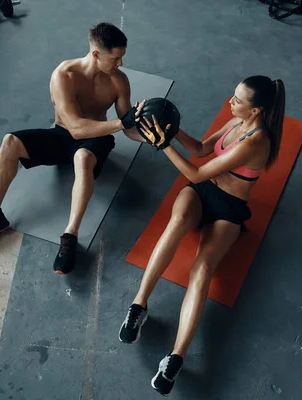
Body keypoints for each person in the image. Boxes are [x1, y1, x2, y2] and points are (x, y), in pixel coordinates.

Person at [119, 76, 286, 396]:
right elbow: (199, 151)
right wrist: (166, 125)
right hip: (204, 192)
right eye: (233, 95)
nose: (230, 102)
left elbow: (193, 171)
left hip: (229, 209)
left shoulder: (256, 141)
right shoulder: (236, 120)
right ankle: (139, 305)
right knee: (177, 221)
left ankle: (176, 356)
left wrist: (163, 145)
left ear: (257, 111)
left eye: (238, 100)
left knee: (203, 267)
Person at [0, 22, 147, 275]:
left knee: (82, 157)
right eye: (115, 58)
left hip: (98, 139)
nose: (120, 64)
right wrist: (121, 122)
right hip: (64, 134)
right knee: (10, 142)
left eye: (121, 58)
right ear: (96, 54)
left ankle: (70, 235)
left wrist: (150, 136)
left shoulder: (118, 81)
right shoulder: (63, 75)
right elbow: (76, 129)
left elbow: (127, 127)